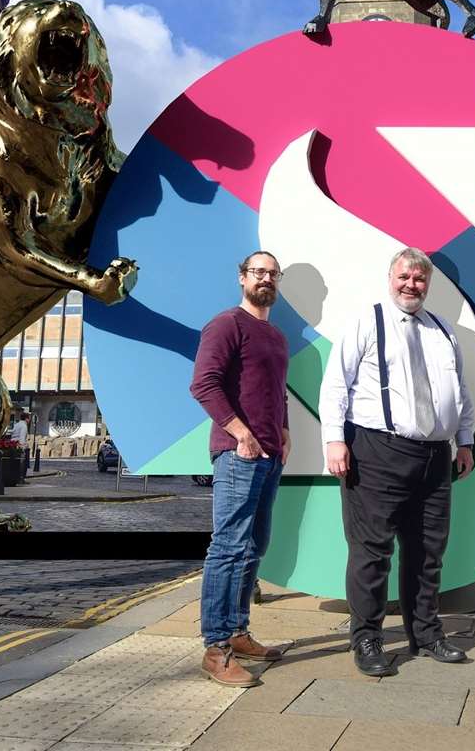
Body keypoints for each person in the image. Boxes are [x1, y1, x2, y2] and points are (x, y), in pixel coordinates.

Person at [320, 246, 475, 677]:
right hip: (376, 451)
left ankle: (425, 633)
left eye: (419, 279)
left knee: (428, 552)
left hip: (434, 457)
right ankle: (367, 638)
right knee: (371, 552)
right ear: (390, 278)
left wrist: (464, 441)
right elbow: (336, 383)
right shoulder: (365, 321)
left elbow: (459, 392)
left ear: (428, 284)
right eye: (404, 277)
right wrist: (335, 441)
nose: (411, 285)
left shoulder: (443, 330)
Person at [190, 250, 292, 688]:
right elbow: (203, 384)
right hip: (238, 454)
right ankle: (216, 649)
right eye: (258, 272)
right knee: (229, 547)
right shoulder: (227, 324)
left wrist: (284, 430)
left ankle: (238, 631)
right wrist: (241, 434)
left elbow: (276, 391)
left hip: (269, 455)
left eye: (272, 273)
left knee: (253, 547)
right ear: (242, 278)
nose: (265, 279)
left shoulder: (276, 336)